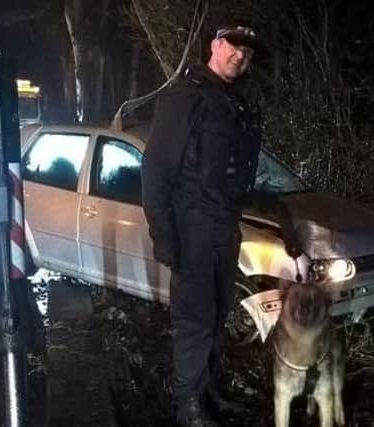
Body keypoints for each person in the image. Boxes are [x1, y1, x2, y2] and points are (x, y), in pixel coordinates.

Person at [141, 25, 261, 427]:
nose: (239, 56)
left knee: (216, 315)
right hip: (191, 231)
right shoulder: (184, 100)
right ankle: (187, 406)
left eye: (246, 51)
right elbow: (155, 173)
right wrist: (164, 237)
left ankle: (208, 393)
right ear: (214, 45)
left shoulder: (234, 104)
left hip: (224, 230)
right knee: (194, 322)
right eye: (232, 46)